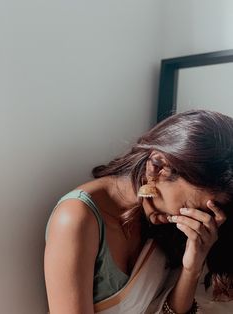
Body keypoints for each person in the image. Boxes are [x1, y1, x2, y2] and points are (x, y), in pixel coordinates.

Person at [44, 109, 233, 314]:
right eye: (191, 206)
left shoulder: (176, 228)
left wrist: (192, 268)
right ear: (158, 167)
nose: (194, 219)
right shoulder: (76, 218)